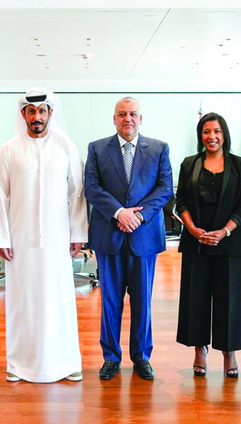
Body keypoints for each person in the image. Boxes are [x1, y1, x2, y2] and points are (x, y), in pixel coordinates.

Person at [0, 88, 88, 383]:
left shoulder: (66, 147)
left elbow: (77, 194)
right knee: (22, 301)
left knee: (59, 299)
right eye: (31, 111)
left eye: (42, 111)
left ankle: (66, 362)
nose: (37, 117)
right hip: (20, 239)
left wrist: (77, 233)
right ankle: (19, 364)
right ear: (23, 114)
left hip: (58, 240)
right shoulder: (9, 150)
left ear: (50, 113)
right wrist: (1, 238)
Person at [84, 97, 173, 381]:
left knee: (142, 301)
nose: (128, 119)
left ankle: (141, 357)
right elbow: (92, 188)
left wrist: (138, 216)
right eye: (122, 114)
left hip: (143, 237)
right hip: (108, 236)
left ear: (141, 118)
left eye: (133, 114)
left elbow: (165, 188)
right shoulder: (97, 148)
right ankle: (111, 357)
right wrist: (119, 213)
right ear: (114, 119)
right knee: (110, 301)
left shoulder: (159, 148)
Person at [174, 113, 241, 378]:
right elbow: (181, 200)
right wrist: (192, 229)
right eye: (206, 131)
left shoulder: (239, 165)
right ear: (200, 135)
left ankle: (229, 353)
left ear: (224, 134)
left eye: (217, 131)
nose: (212, 136)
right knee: (195, 298)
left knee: (228, 300)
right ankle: (199, 350)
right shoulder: (190, 164)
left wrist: (225, 231)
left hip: (227, 241)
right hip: (195, 241)